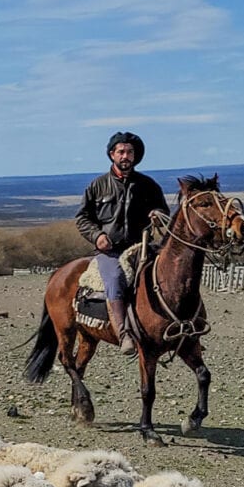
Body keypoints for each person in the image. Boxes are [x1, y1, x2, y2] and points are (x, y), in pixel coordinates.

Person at [75, 131, 169, 355]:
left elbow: (163, 210)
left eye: (130, 152)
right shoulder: (97, 186)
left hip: (142, 247)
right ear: (112, 155)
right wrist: (97, 235)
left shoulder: (148, 185)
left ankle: (178, 330)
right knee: (116, 278)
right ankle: (124, 333)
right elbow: (82, 218)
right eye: (121, 152)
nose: (126, 156)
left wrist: (157, 214)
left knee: (169, 274)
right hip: (111, 252)